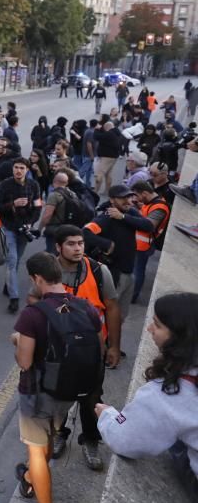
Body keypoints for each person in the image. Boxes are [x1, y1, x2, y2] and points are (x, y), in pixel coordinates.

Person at [11, 252, 103, 503]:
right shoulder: (85, 307)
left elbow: (24, 362)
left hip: (38, 392)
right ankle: (29, 477)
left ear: (36, 278)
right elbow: (98, 344)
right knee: (49, 435)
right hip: (70, 389)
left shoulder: (33, 315)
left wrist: (17, 339)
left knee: (36, 450)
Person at [96, 292, 198, 503]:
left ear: (181, 338)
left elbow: (125, 441)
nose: (150, 328)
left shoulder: (168, 395)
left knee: (175, 445)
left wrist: (107, 414)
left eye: (157, 325)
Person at [39, 225, 122, 471]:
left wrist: (114, 346)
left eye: (81, 243)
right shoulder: (46, 271)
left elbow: (112, 308)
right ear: (58, 247)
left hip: (91, 352)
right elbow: (34, 301)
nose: (78, 248)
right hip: (56, 352)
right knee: (57, 395)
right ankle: (59, 433)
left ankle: (91, 439)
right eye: (71, 244)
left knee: (91, 398)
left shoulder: (99, 271)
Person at [84, 184, 152, 315]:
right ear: (112, 200)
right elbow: (86, 232)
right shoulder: (107, 217)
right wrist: (107, 244)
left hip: (129, 273)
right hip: (114, 274)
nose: (127, 201)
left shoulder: (129, 212)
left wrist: (123, 217)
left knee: (121, 316)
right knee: (108, 314)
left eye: (129, 197)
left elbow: (149, 226)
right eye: (122, 198)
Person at [0, 158, 43, 312]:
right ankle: (14, 298)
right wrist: (13, 204)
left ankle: (8, 284)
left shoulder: (33, 185)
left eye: (22, 168)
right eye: (16, 167)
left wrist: (30, 223)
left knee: (16, 261)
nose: (18, 170)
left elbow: (38, 207)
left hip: (24, 229)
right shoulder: (4, 185)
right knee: (12, 260)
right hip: (8, 227)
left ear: (27, 170)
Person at [130, 181, 170, 304]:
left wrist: (125, 216)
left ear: (145, 193)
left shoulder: (159, 207)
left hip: (143, 245)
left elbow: (148, 225)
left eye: (137, 195)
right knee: (136, 270)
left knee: (137, 272)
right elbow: (144, 215)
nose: (136, 199)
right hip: (139, 243)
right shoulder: (151, 202)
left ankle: (132, 297)